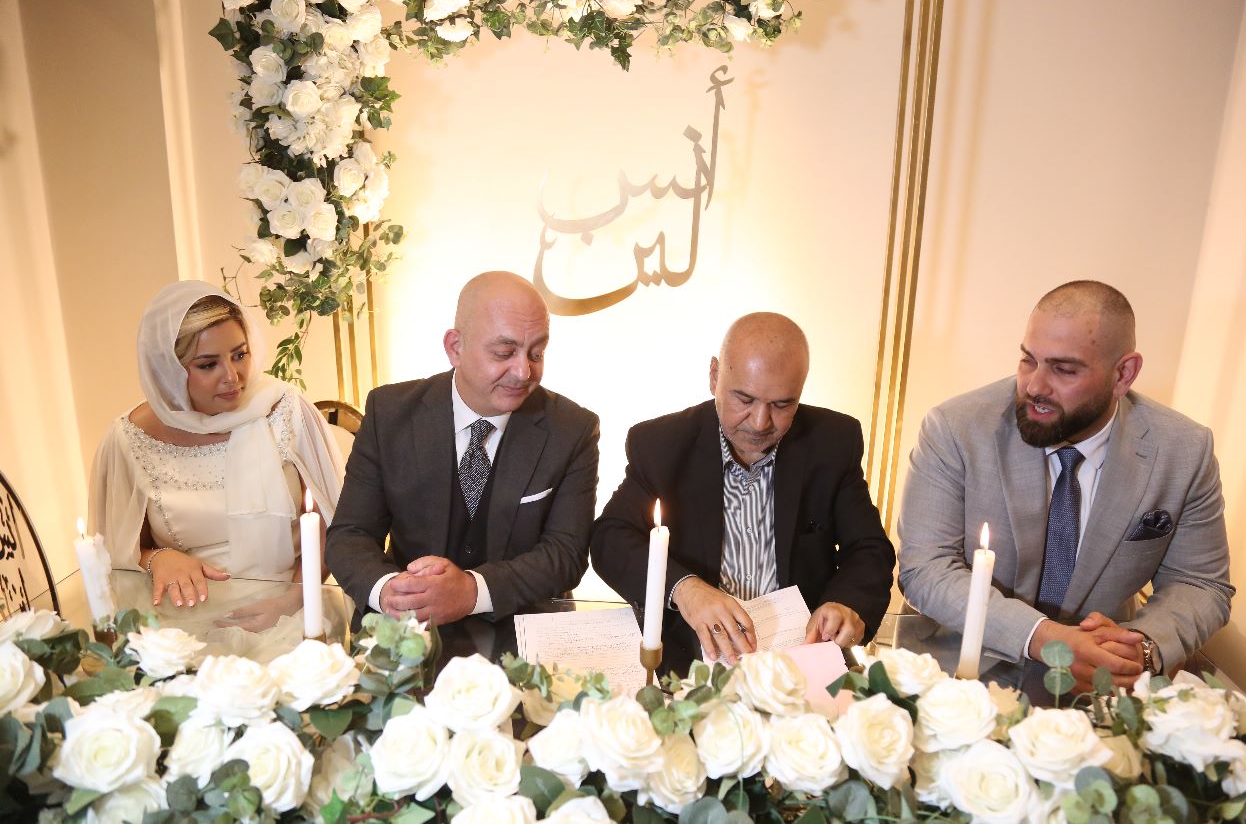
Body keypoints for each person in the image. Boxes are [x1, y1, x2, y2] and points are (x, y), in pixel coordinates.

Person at [897, 280, 1233, 691]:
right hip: (958, 678)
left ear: (1123, 374)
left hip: (1100, 687)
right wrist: (1044, 638)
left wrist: (1139, 649)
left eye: (1064, 369)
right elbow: (925, 568)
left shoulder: (1184, 450)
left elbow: (1200, 583)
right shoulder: (955, 428)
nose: (1034, 386)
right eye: (1028, 360)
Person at [591, 313, 896, 670]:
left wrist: (847, 604)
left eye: (782, 404)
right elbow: (610, 539)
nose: (760, 422)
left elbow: (869, 549)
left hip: (803, 659)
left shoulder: (833, 441)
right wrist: (685, 589)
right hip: (692, 661)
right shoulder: (661, 444)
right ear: (714, 376)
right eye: (744, 399)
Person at [325, 271, 600, 624]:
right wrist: (389, 591)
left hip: (523, 628)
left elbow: (566, 554)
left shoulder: (573, 429)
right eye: (504, 352)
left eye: (537, 353)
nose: (523, 371)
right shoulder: (389, 412)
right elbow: (351, 534)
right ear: (455, 347)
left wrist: (472, 592)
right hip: (410, 629)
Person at [88, 280, 346, 654]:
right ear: (167, 369)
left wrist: (290, 602)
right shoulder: (129, 438)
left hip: (291, 610)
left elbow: (332, 525)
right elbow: (119, 552)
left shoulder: (285, 410)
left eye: (240, 355)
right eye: (208, 364)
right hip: (181, 625)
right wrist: (158, 558)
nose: (232, 376)